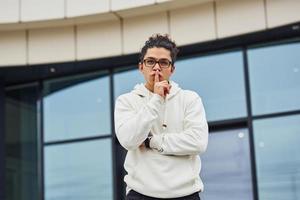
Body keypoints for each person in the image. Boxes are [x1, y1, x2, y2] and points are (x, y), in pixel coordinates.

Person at [114, 34, 208, 200]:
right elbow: (128, 140)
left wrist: (152, 141)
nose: (156, 67)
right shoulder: (126, 101)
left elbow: (198, 142)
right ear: (141, 67)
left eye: (163, 62)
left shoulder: (190, 99)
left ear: (172, 69)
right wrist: (156, 99)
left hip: (186, 194)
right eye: (150, 61)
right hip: (140, 194)